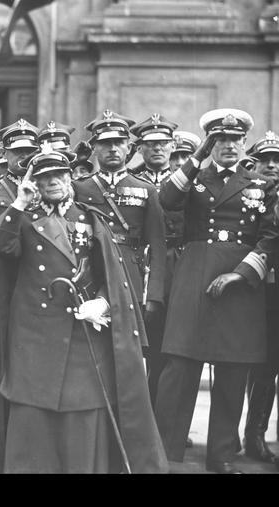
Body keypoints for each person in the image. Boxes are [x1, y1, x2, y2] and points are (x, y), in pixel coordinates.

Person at [0, 146, 167, 473]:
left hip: (83, 332)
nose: (52, 182)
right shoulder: (23, 218)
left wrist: (102, 300)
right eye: (43, 177)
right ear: (34, 183)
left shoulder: (89, 218)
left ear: (70, 177)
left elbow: (109, 273)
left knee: (83, 412)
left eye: (58, 174)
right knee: (33, 414)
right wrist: (19, 202)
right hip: (34, 332)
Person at [154, 108, 279, 474]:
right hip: (194, 278)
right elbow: (167, 200)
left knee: (233, 371)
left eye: (235, 140)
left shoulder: (261, 184)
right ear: (211, 142)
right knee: (180, 367)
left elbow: (272, 236)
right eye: (220, 140)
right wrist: (196, 157)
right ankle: (164, 450)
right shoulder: (193, 178)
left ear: (244, 144)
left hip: (242, 287)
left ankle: (221, 456)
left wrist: (241, 274)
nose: (228, 146)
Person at [0, 118, 39, 473]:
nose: (25, 158)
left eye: (30, 151)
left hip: (33, 286)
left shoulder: (48, 185)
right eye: (18, 152)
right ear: (6, 154)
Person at [73, 110, 166, 351]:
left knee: (128, 350)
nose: (113, 148)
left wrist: (154, 296)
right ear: (94, 148)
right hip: (91, 272)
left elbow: (157, 245)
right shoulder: (79, 188)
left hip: (130, 274)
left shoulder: (146, 190)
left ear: (129, 148)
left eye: (118, 143)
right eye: (105, 143)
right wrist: (73, 160)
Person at [130, 114, 180, 406]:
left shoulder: (185, 182)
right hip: (138, 261)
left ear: (172, 146)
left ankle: (164, 416)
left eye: (163, 143)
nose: (157, 149)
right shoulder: (131, 180)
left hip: (175, 263)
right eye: (150, 144)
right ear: (139, 149)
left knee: (167, 346)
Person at [241, 130, 279, 465]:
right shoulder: (250, 195)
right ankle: (254, 436)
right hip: (262, 293)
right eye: (265, 160)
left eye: (277, 160)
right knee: (264, 368)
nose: (271, 165)